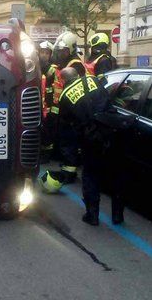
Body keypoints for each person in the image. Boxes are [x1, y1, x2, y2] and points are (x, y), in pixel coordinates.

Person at [42, 68, 123, 225]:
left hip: (91, 138)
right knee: (115, 174)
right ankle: (118, 215)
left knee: (91, 176)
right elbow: (107, 98)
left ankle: (92, 215)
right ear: (78, 75)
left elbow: (67, 131)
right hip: (112, 130)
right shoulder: (92, 79)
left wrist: (70, 158)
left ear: (64, 80)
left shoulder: (65, 96)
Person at [46, 31, 87, 185]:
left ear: (69, 49)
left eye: (63, 50)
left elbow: (75, 89)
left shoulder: (75, 65)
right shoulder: (67, 63)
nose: (61, 53)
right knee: (64, 140)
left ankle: (70, 173)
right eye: (60, 50)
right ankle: (67, 167)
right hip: (64, 108)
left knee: (69, 140)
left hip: (71, 109)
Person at [38, 41, 59, 161]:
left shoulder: (53, 70)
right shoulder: (34, 67)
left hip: (49, 106)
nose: (44, 55)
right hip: (37, 105)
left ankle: (47, 155)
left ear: (50, 55)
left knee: (48, 131)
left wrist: (54, 109)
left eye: (47, 53)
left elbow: (57, 89)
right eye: (42, 52)